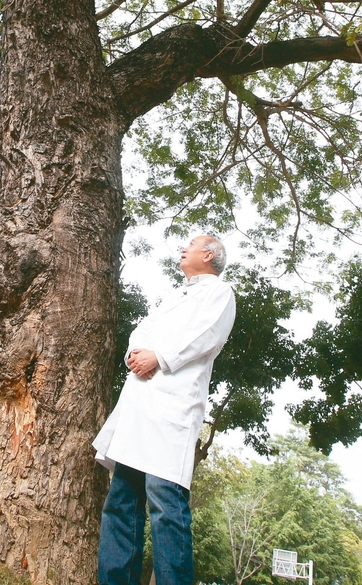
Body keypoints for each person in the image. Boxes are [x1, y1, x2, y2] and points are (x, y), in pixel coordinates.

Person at [92, 235, 237, 585]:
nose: (182, 249)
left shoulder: (220, 293)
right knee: (121, 501)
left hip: (174, 405)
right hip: (140, 405)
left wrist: (159, 357)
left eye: (191, 244)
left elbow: (206, 335)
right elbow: (144, 328)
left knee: (165, 505)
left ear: (208, 254)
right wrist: (136, 351)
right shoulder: (174, 295)